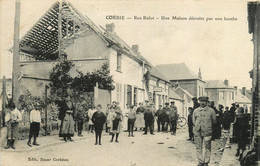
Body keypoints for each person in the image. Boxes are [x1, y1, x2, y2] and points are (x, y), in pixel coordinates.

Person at [193, 96, 216, 166]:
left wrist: (207, 126)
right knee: (198, 147)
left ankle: (206, 161)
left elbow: (214, 121)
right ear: (199, 102)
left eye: (204, 101)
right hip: (197, 131)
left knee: (207, 147)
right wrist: (197, 126)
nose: (202, 103)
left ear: (207, 102)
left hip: (207, 131)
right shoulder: (195, 111)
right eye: (201, 101)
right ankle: (200, 161)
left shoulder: (211, 111)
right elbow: (193, 121)